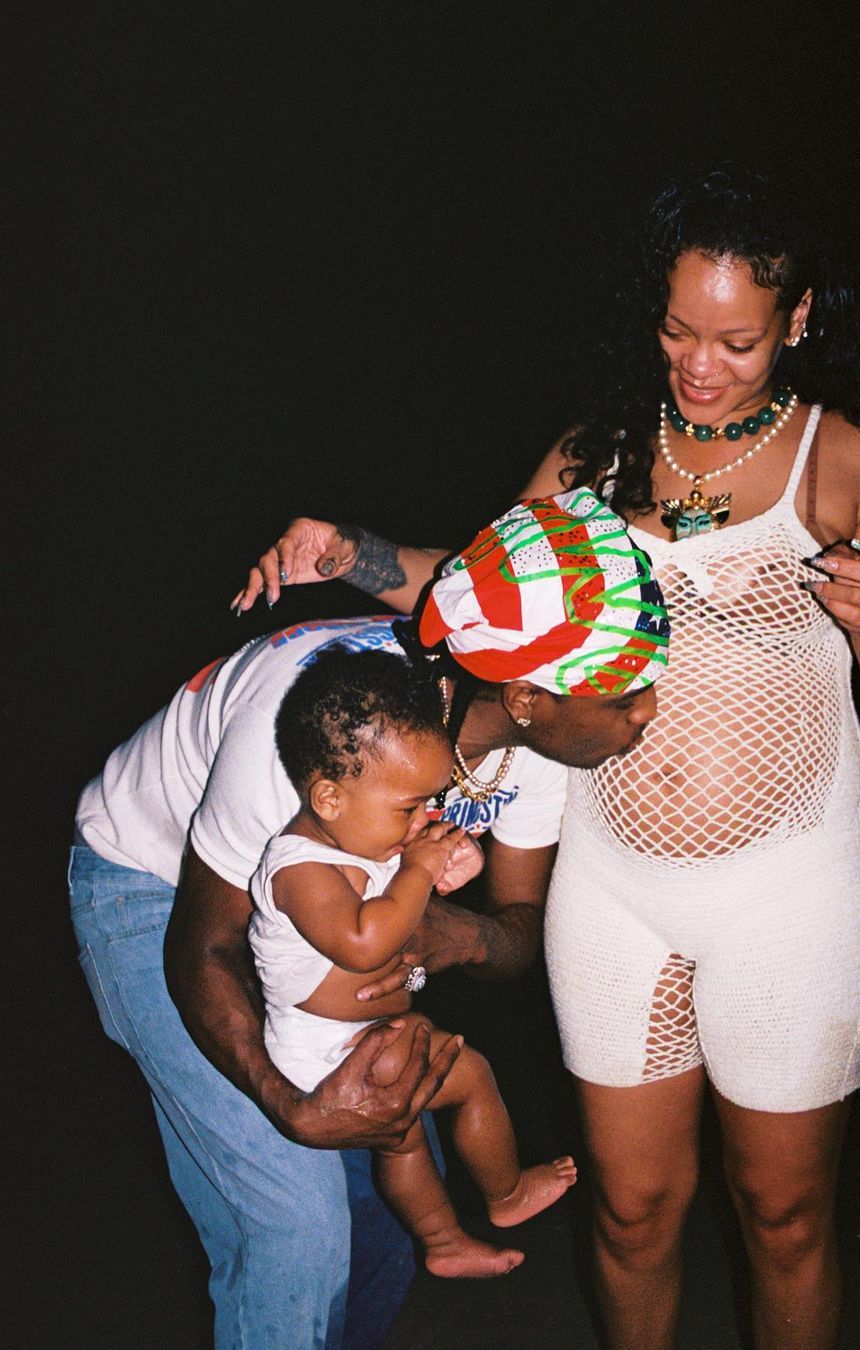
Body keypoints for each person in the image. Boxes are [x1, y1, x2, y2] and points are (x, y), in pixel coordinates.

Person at [233, 166, 860, 1349]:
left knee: (781, 1214)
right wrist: (343, 549)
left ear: (799, 321)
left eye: (737, 340)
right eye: (677, 332)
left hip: (792, 896)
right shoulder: (595, 457)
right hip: (615, 892)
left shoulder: (844, 458)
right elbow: (466, 592)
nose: (700, 365)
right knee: (627, 1211)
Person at [71, 489, 668, 1349]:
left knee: (384, 1209)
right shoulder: (328, 734)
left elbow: (515, 932)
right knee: (296, 1227)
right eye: (623, 693)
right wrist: (288, 1103)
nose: (646, 711)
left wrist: (452, 936)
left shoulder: (536, 751)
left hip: (332, 919)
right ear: (530, 692)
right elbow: (204, 943)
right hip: (153, 885)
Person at [251, 644, 577, 1278]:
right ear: (329, 799)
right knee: (467, 1076)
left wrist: (445, 863)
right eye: (408, 809)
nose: (423, 820)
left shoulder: (362, 839)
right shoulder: (298, 867)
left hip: (359, 1034)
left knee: (401, 1133)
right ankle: (502, 1196)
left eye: (429, 805)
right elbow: (366, 942)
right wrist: (418, 874)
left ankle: (444, 1241)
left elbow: (407, 916)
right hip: (322, 1048)